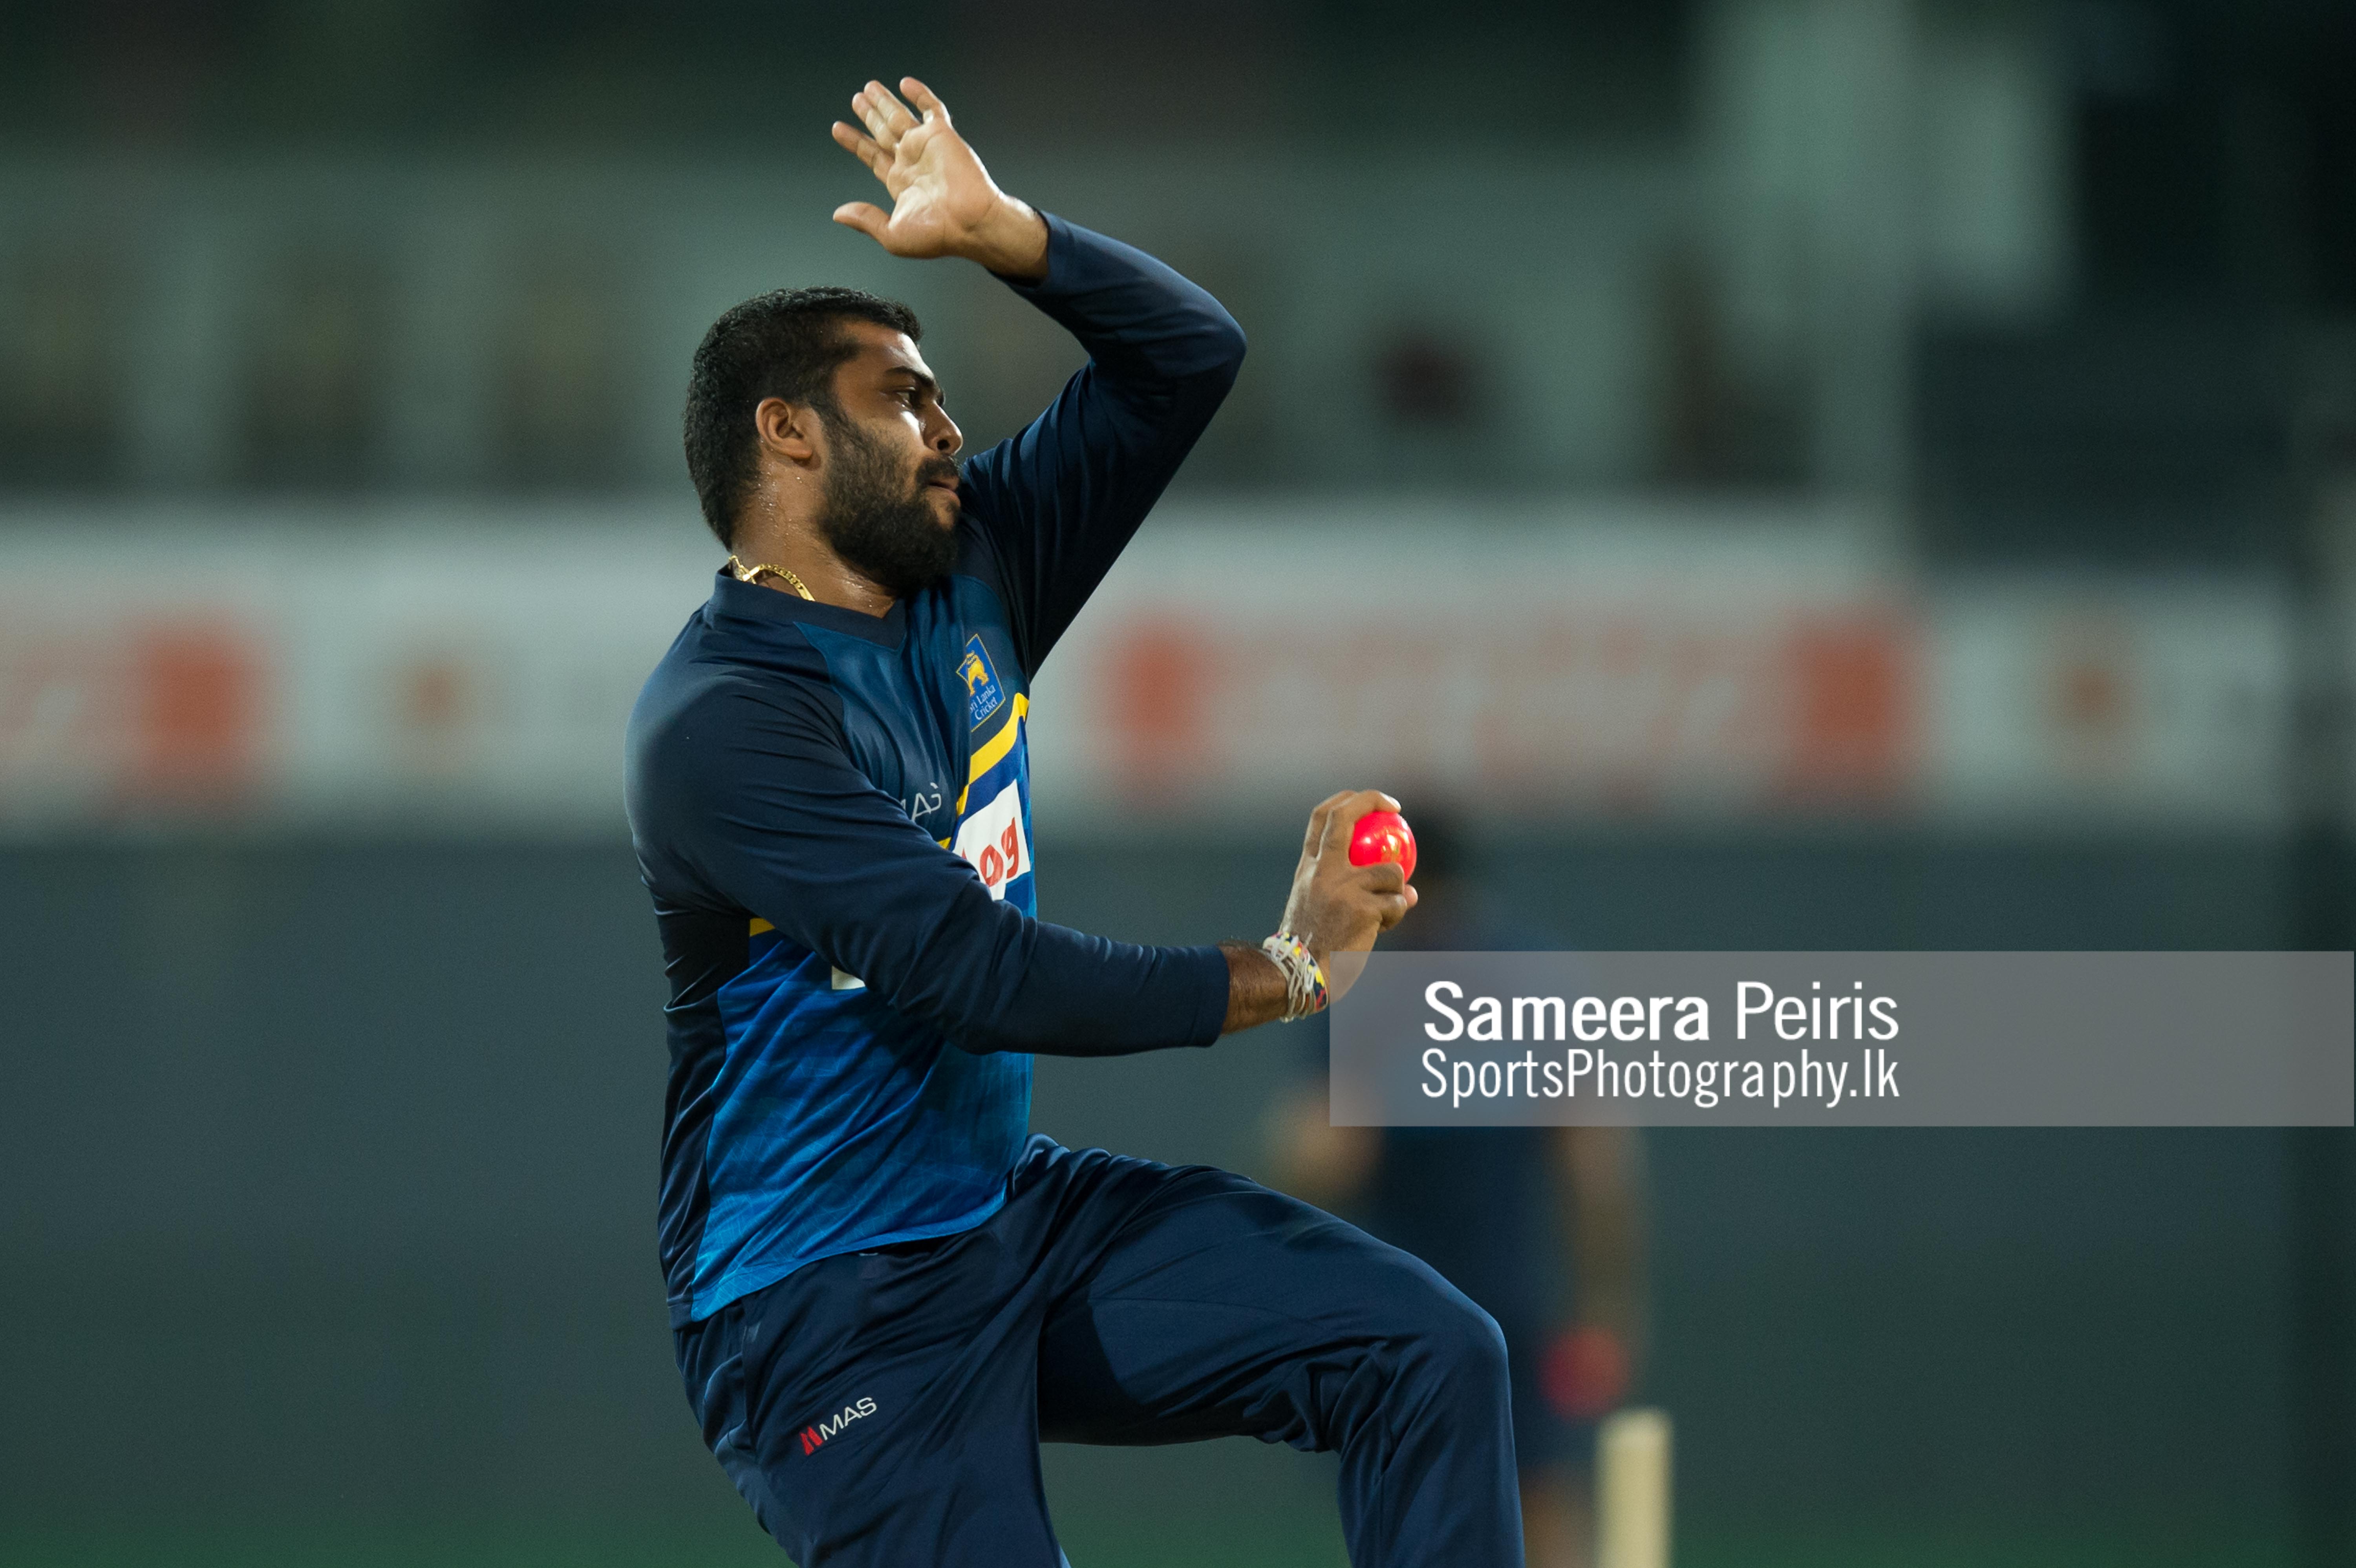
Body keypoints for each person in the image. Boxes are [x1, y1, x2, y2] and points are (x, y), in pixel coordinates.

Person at [624, 78, 1521, 1567]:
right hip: (821, 1301)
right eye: (902, 396)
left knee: (1431, 1351)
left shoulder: (980, 567)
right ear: (782, 434)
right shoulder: (720, 721)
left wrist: (1009, 238)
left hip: (1011, 1222)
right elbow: (970, 971)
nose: (949, 426)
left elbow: (1190, 359)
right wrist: (1283, 974)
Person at [1265, 813, 1650, 1568]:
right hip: (1409, 1305)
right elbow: (1319, 1152)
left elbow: (1592, 1155)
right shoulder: (1379, 985)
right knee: (1426, 1509)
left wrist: (1605, 1307)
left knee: (1520, 1506)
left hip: (1472, 1302)